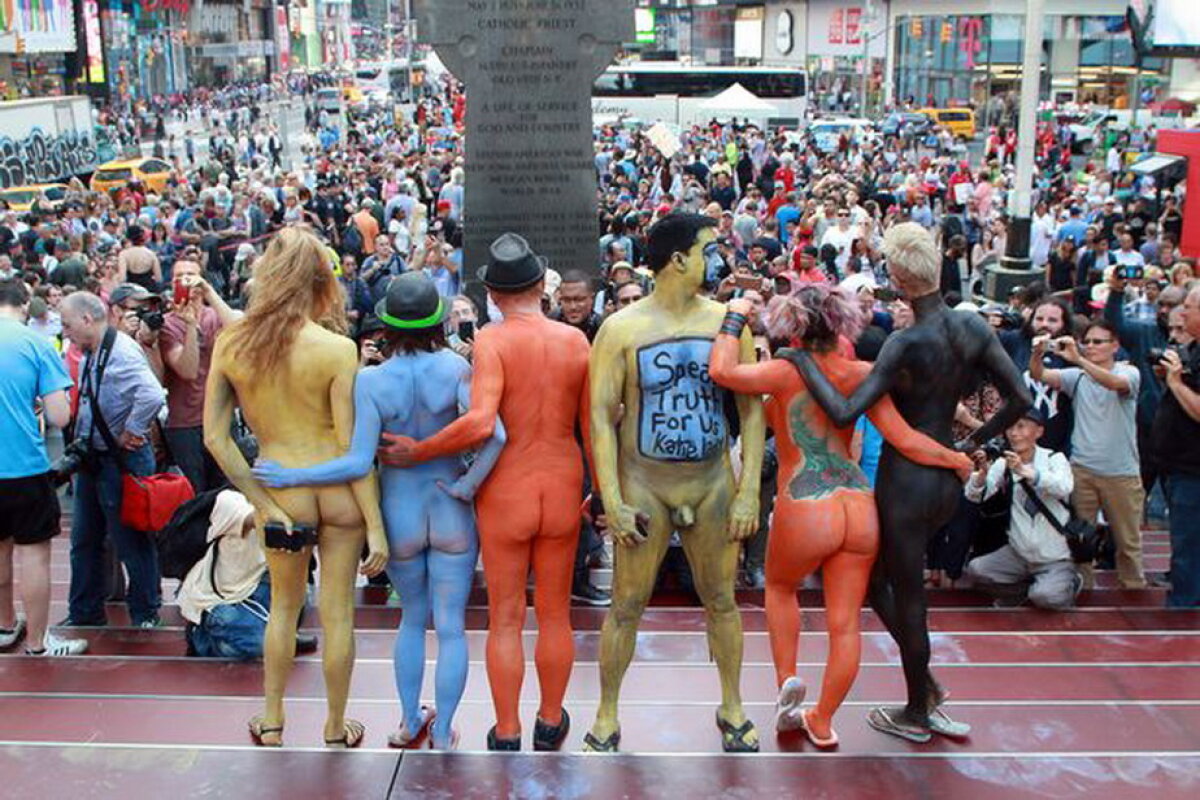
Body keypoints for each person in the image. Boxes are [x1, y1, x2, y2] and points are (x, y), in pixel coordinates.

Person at [787, 223, 1031, 743]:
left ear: (897, 278)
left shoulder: (904, 342)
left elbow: (844, 410)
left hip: (905, 481)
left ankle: (919, 707)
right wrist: (975, 441)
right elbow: (1021, 398)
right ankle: (924, 687)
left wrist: (802, 362)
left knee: (906, 595)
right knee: (883, 583)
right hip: (944, 477)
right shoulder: (973, 328)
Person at [709, 286, 970, 748]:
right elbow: (905, 440)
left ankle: (787, 682)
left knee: (780, 588)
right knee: (845, 623)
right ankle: (823, 720)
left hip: (806, 502)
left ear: (793, 326)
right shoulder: (862, 373)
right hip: (858, 504)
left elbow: (721, 370)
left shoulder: (783, 372)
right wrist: (956, 459)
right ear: (841, 325)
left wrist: (734, 316)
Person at [254, 272, 504, 749]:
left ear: (387, 324)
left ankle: (410, 721)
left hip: (399, 510)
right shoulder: (455, 368)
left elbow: (356, 461)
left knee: (411, 618)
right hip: (450, 506)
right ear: (438, 321)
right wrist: (468, 485)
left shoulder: (370, 380)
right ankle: (444, 732)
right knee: (451, 627)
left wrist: (292, 476)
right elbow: (495, 433)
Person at [377, 233, 590, 752]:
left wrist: (420, 450)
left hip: (507, 491)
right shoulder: (576, 342)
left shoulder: (492, 341)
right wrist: (603, 492)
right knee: (555, 613)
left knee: (507, 617)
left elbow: (480, 423)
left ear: (492, 295)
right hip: (563, 482)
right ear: (541, 287)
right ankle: (550, 720)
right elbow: (593, 427)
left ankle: (507, 730)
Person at [585, 213, 766, 753]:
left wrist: (749, 491)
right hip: (645, 485)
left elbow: (751, 410)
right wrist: (612, 500)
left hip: (712, 484)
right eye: (709, 250)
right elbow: (600, 418)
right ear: (680, 259)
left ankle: (732, 704)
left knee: (722, 599)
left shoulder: (729, 324)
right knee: (625, 604)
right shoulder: (621, 329)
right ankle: (607, 712)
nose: (718, 260)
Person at [203, 227, 389, 748]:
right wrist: (376, 527)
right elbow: (352, 449)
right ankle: (335, 726)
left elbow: (216, 438)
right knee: (338, 613)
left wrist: (262, 502)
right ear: (320, 280)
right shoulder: (338, 349)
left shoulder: (233, 343)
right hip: (339, 490)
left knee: (284, 609)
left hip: (282, 489)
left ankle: (272, 720)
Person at [57, 289, 166, 628]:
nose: (65, 332)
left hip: (120, 461)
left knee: (130, 539)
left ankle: (145, 612)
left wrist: (132, 429)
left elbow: (152, 394)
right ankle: (85, 612)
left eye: (67, 324)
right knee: (84, 540)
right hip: (97, 458)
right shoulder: (93, 351)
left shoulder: (119, 351)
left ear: (87, 319)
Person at [0, 279, 87, 656]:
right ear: (24, 305)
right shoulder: (36, 343)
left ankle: (4, 626)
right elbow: (59, 416)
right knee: (33, 554)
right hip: (23, 466)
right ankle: (38, 642)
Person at [1030, 319, 1145, 589]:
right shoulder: (1077, 376)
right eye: (1087, 342)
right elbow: (1039, 374)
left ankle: (1133, 588)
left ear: (1115, 346)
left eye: (1098, 342)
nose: (1091, 346)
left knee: (1127, 541)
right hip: (1082, 470)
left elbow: (1116, 384)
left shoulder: (1128, 372)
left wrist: (1079, 360)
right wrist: (1037, 353)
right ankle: (1084, 585)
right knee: (1080, 538)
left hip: (1121, 472)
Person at [963, 409, 1080, 610]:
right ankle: (1021, 594)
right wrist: (981, 475)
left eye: (1021, 426)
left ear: (1039, 431)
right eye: (1010, 427)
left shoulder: (1054, 458)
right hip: (1018, 554)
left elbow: (1064, 487)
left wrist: (1026, 472)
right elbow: (975, 496)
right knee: (977, 570)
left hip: (1054, 557)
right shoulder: (1003, 463)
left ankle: (1069, 583)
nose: (1014, 433)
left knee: (1047, 598)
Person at [160, 260, 242, 494]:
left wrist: (209, 292)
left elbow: (240, 329)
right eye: (179, 277)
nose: (186, 281)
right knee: (195, 495)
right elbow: (187, 370)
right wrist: (190, 326)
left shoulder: (215, 316)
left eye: (191, 275)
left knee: (229, 493)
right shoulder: (167, 325)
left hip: (221, 416)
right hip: (185, 424)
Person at [1151, 286, 1200, 607]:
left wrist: (1176, 383)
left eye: (1189, 307)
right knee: (1184, 541)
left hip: (1194, 469)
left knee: (1188, 543)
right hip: (1175, 462)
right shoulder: (1192, 348)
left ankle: (1185, 608)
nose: (1182, 312)